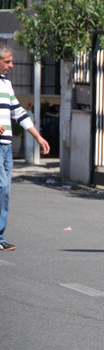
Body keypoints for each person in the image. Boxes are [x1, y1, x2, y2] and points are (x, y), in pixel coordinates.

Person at [0, 44, 50, 251]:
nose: (11, 65)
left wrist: (38, 137)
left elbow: (18, 112)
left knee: (5, 191)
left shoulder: (6, 84)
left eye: (12, 61)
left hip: (7, 147)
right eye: (7, 61)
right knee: (1, 187)